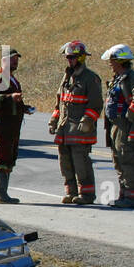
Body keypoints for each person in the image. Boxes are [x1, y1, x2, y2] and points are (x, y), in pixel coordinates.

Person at [48, 40, 102, 204]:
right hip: (64, 129)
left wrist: (87, 121)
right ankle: (71, 192)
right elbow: (60, 102)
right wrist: (54, 120)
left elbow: (96, 104)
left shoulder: (90, 78)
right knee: (65, 163)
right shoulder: (66, 77)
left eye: (72, 57)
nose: (69, 60)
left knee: (81, 163)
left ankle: (86, 195)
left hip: (80, 130)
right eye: (67, 58)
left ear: (81, 58)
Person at [101, 44, 134, 208]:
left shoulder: (133, 78)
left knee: (128, 161)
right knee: (119, 161)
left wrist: (129, 116)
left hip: (126, 127)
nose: (110, 63)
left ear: (119, 61)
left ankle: (132, 199)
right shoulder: (119, 77)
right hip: (116, 126)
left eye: (112, 60)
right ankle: (124, 196)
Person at [0, 47, 34, 204]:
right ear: (4, 60)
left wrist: (23, 108)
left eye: (17, 58)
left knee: (9, 158)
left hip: (12, 127)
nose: (16, 61)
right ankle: (1, 194)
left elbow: (12, 102)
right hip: (1, 126)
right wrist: (10, 97)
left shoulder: (12, 79)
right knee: (1, 158)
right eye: (13, 58)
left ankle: (4, 192)